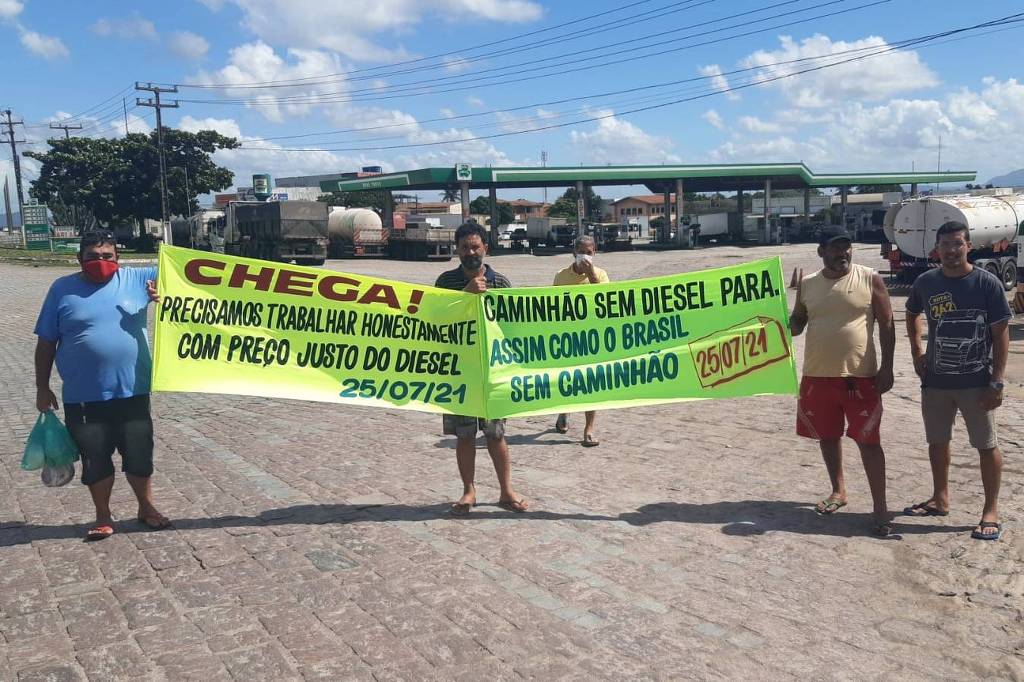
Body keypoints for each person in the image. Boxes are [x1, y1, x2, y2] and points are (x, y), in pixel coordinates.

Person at [34, 231, 169, 541]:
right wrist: (42, 387)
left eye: (108, 256)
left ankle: (147, 507)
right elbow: (46, 342)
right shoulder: (61, 290)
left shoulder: (138, 278)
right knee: (94, 459)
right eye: (93, 257)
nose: (101, 261)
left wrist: (164, 291)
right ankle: (103, 516)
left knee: (139, 455)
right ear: (79, 258)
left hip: (133, 390)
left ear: (118, 258)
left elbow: (186, 275)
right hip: (84, 396)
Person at [904, 221, 1011, 540]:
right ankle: (940, 498)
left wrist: (997, 382)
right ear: (936, 249)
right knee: (937, 442)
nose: (951, 250)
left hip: (977, 383)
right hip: (935, 382)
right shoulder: (926, 282)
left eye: (957, 244)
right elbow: (911, 313)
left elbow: (1001, 334)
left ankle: (990, 510)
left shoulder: (986, 283)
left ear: (968, 246)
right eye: (945, 245)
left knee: (986, 445)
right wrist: (917, 352)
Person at [789, 226, 895, 537]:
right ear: (821, 252)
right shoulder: (808, 284)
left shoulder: (869, 278)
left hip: (859, 378)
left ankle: (880, 508)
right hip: (817, 375)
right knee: (827, 435)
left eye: (846, 247)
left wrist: (887, 367)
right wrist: (775, 318)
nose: (842, 253)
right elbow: (797, 324)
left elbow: (887, 324)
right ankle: (838, 491)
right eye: (835, 248)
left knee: (869, 441)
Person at [435, 221, 528, 515]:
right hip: (459, 371)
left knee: (496, 434)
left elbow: (514, 327)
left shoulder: (500, 282)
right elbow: (436, 321)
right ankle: (469, 491)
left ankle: (506, 491)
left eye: (475, 246)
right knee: (464, 435)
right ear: (457, 250)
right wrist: (466, 294)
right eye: (464, 247)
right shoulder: (445, 282)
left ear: (485, 248)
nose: (470, 252)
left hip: (493, 372)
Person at [552, 235, 610, 446]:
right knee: (565, 378)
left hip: (591, 337)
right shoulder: (561, 276)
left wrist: (591, 275)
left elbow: (606, 302)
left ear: (595, 253)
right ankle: (564, 410)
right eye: (581, 252)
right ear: (574, 252)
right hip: (566, 336)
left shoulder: (601, 274)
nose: (585, 256)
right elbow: (552, 306)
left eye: (589, 252)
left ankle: (589, 428)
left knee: (590, 382)